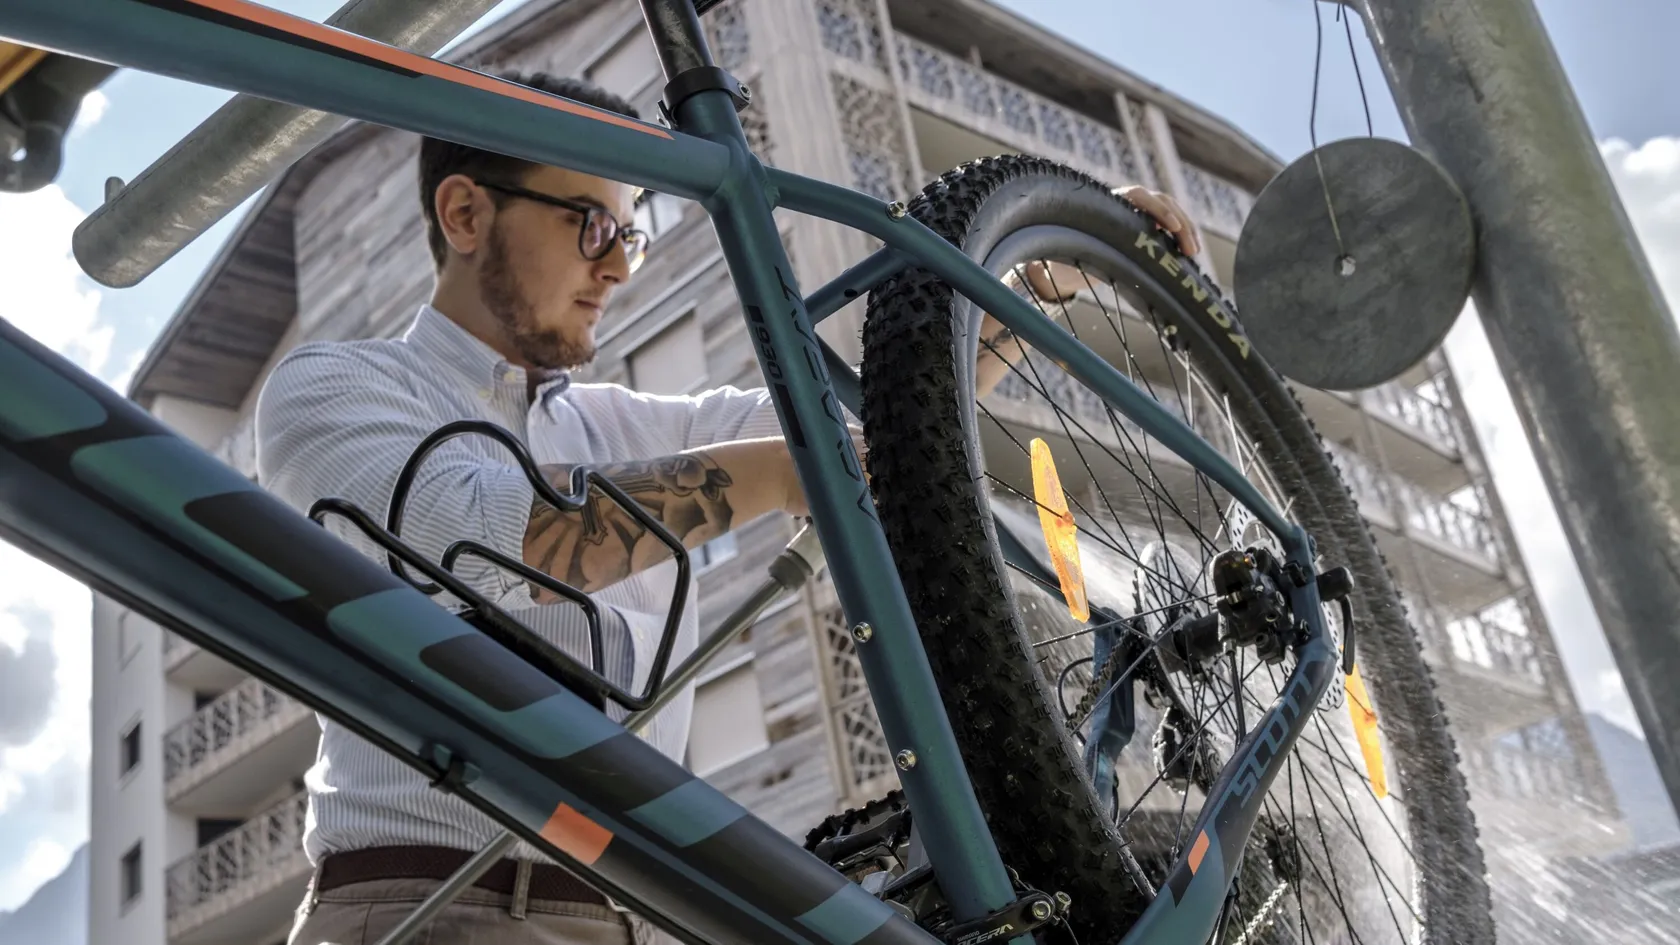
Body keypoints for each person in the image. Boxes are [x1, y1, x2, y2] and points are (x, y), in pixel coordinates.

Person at [259, 70, 1200, 945]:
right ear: (466, 213)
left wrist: (1040, 283)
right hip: (426, 903)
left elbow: (877, 426)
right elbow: (491, 538)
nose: (618, 268)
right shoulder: (336, 386)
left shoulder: (611, 422)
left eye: (630, 236)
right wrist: (790, 472)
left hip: (630, 917)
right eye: (593, 226)